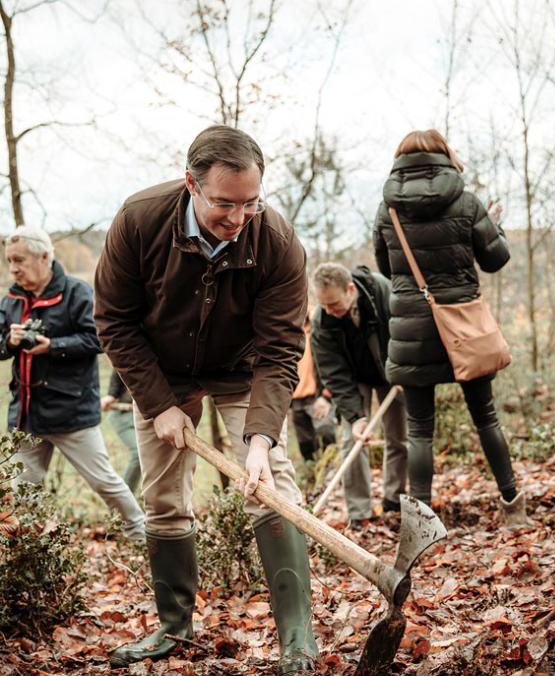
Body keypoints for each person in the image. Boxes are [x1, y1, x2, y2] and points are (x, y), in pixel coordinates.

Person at [93, 125, 318, 673]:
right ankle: (175, 629)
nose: (238, 218)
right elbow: (114, 321)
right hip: (162, 373)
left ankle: (296, 641)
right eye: (224, 203)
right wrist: (158, 403)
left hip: (242, 370)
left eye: (250, 203)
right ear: (189, 182)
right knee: (164, 497)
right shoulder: (139, 219)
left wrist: (261, 438)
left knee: (273, 485)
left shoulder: (278, 240)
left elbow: (282, 348)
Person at [372, 129, 526, 528]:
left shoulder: (387, 209)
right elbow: (495, 259)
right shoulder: (466, 202)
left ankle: (421, 523)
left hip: (411, 329)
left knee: (419, 429)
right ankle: (512, 506)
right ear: (444, 156)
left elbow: (386, 269)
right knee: (485, 417)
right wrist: (498, 227)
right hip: (464, 327)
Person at [0, 225, 145, 541]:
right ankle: (31, 552)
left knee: (104, 482)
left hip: (71, 412)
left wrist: (53, 346)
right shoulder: (10, 299)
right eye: (9, 261)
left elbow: (98, 339)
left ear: (44, 257)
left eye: (19, 260)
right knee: (23, 491)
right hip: (25, 415)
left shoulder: (77, 293)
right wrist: (9, 343)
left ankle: (141, 536)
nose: (13, 268)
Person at [311, 262, 408, 527]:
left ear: (350, 289)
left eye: (334, 304)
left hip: (392, 370)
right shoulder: (322, 321)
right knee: (351, 439)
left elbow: (406, 329)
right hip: (354, 379)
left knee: (398, 436)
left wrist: (404, 369)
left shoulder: (382, 292)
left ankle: (394, 497)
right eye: (324, 305)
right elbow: (334, 373)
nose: (330, 311)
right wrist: (356, 417)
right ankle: (359, 512)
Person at [291, 308, 336, 462]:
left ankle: (331, 475)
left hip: (317, 397)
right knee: (306, 445)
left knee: (327, 434)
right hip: (295, 400)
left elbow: (331, 364)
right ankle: (314, 477)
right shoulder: (287, 337)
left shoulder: (318, 331)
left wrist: (326, 394)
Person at [101, 370, 141, 494]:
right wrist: (111, 394)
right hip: (122, 414)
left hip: (145, 417)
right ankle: (125, 499)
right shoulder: (133, 355)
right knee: (138, 453)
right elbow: (120, 363)